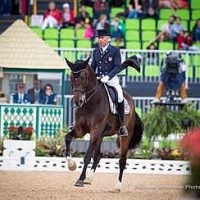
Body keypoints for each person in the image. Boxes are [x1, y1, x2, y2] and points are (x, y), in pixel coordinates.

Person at [91, 28, 128, 136]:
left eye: (102, 38)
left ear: (108, 39)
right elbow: (93, 67)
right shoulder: (96, 52)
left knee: (120, 97)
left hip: (111, 79)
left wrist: (108, 77)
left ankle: (122, 125)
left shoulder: (115, 51)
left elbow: (117, 67)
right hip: (99, 79)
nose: (100, 40)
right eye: (99, 38)